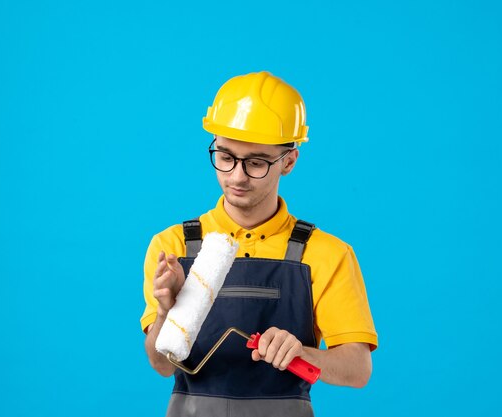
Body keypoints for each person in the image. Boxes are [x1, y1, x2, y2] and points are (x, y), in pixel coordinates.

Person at [141, 71, 378, 417]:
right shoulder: (174, 246)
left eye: (255, 163)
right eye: (225, 157)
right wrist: (166, 311)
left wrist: (301, 353)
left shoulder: (325, 254)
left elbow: (358, 369)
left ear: (289, 161)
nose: (236, 176)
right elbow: (162, 366)